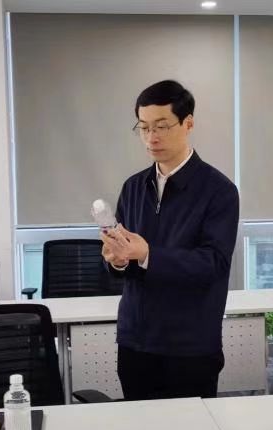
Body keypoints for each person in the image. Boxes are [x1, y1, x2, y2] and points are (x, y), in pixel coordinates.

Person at [99, 80, 240, 400]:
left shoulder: (219, 191)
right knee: (139, 425)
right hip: (136, 340)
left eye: (162, 126)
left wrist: (147, 254)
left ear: (188, 123)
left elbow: (214, 263)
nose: (152, 137)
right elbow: (126, 263)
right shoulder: (133, 187)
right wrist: (117, 259)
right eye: (144, 127)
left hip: (190, 344)